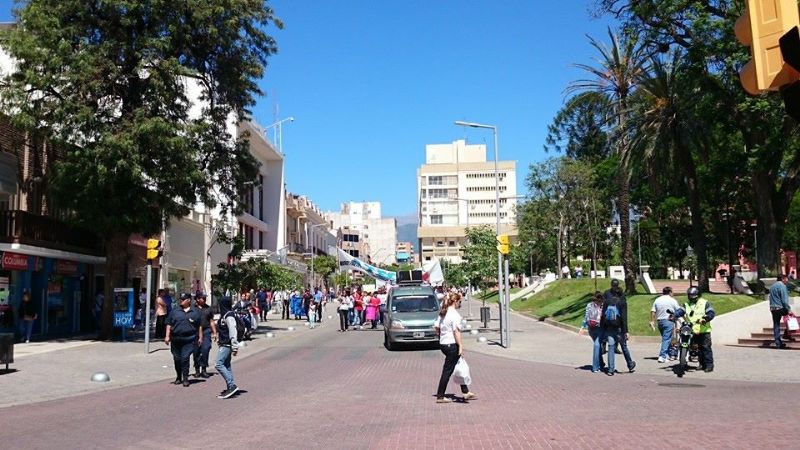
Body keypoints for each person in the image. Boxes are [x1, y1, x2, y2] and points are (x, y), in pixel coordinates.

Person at [433, 292, 477, 403]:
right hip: (452, 344)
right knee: (447, 371)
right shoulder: (455, 315)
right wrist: (460, 345)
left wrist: (441, 335)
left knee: (459, 364)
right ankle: (440, 395)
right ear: (455, 302)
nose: (459, 304)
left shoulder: (443, 312)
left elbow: (436, 327)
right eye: (459, 302)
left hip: (443, 344)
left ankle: (465, 391)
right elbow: (456, 332)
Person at [165, 293, 202, 387]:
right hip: (176, 339)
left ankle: (185, 378)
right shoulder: (175, 311)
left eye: (183, 299)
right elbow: (169, 324)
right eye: (180, 299)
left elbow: (199, 325)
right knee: (177, 359)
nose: (181, 301)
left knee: (185, 358)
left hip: (189, 339)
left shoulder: (195, 312)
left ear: (189, 300)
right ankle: (178, 377)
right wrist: (167, 336)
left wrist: (200, 337)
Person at [676, 286, 716, 372]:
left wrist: (706, 318)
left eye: (693, 295)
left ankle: (709, 365)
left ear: (698, 295)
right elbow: (680, 311)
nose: (691, 297)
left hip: (704, 330)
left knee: (706, 348)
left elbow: (711, 312)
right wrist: (674, 315)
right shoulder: (686, 304)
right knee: (697, 348)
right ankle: (701, 364)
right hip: (692, 330)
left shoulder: (704, 303)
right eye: (690, 295)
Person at [601, 279, 635, 376]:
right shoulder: (622, 301)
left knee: (611, 347)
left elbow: (603, 314)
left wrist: (603, 327)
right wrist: (626, 331)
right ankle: (630, 364)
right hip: (619, 327)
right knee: (624, 347)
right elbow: (624, 317)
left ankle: (611, 369)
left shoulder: (607, 299)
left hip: (609, 326)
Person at [215, 296, 240, 399]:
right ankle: (230, 386)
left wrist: (235, 346)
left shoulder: (229, 316)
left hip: (227, 344)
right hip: (223, 343)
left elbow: (233, 331)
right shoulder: (224, 315)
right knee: (226, 365)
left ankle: (232, 385)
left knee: (218, 364)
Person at [650, 287, 681, 362]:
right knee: (666, 339)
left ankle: (668, 355)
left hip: (660, 322)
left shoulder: (657, 300)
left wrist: (652, 321)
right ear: (670, 292)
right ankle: (662, 356)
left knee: (666, 338)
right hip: (668, 321)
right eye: (672, 292)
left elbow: (653, 311)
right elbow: (679, 310)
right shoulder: (672, 300)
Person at [578, 291, 605, 373]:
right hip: (594, 328)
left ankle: (599, 364)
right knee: (597, 346)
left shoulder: (592, 305)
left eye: (601, 301)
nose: (600, 302)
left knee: (597, 346)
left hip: (596, 328)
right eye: (599, 301)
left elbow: (586, 317)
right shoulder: (594, 306)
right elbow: (586, 316)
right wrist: (582, 327)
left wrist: (583, 327)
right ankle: (596, 367)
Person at [192, 293, 216, 378]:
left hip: (206, 331)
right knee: (196, 351)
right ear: (197, 299)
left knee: (206, 348)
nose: (204, 299)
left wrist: (215, 332)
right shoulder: (192, 309)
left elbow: (211, 321)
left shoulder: (208, 308)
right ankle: (197, 370)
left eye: (205, 298)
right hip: (195, 331)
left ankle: (204, 369)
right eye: (202, 298)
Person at [768, 274, 791, 349]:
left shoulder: (772, 286)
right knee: (791, 317)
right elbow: (784, 300)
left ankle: (778, 343)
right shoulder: (782, 286)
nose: (787, 280)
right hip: (780, 307)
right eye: (786, 279)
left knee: (776, 324)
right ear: (783, 279)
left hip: (773, 308)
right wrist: (788, 309)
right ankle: (787, 334)